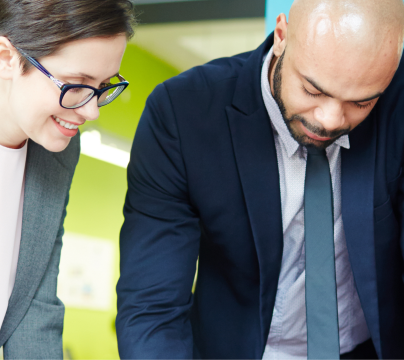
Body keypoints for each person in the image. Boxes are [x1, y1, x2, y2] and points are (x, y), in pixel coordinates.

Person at [117, 0, 404, 358]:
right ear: (281, 36)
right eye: (313, 91)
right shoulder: (183, 114)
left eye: (361, 103)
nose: (330, 120)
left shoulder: (397, 102)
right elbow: (152, 307)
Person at [0, 0, 135, 358]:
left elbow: (35, 310)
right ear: (6, 57)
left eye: (104, 86)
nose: (91, 111)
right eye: (76, 85)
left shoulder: (54, 153)